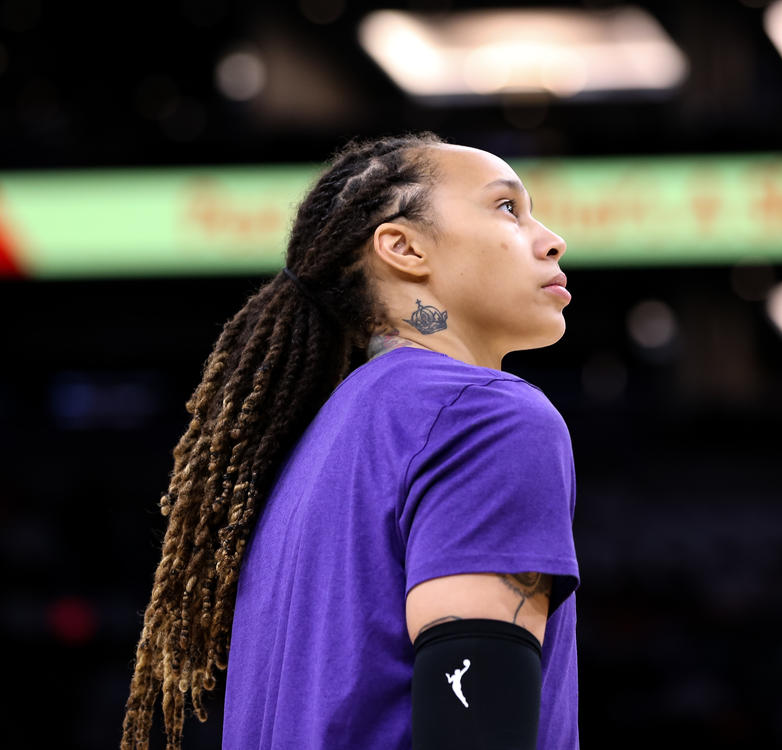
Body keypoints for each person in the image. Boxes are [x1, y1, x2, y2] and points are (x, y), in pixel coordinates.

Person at [120, 133, 580, 750]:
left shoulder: (309, 450)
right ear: (404, 246)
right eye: (507, 208)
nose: (551, 239)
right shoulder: (486, 417)